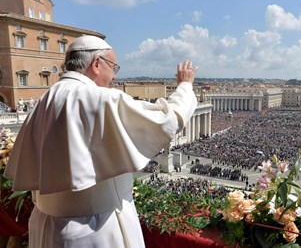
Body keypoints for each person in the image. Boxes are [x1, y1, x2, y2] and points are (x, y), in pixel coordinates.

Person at [4, 35, 198, 248]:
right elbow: (166, 120)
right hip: (94, 232)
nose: (113, 78)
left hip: (47, 229)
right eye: (113, 68)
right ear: (96, 64)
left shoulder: (44, 101)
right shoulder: (99, 98)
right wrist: (185, 86)